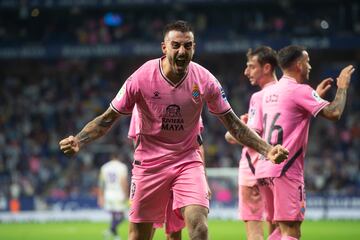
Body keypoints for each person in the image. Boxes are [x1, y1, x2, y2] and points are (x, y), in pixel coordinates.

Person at [59, 20, 288, 240]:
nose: (181, 51)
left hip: (187, 161)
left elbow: (234, 124)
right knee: (138, 236)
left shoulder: (205, 80)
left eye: (187, 46)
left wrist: (267, 150)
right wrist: (79, 140)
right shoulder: (141, 77)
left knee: (199, 227)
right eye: (176, 45)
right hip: (149, 164)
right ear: (164, 47)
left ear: (193, 48)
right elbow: (107, 119)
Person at [255, 45, 355, 240]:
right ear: (299, 65)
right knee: (292, 231)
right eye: (307, 62)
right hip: (286, 169)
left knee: (279, 231)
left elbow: (291, 112)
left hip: (265, 169)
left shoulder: (271, 92)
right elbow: (334, 112)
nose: (310, 66)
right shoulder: (300, 91)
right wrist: (342, 87)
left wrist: (315, 96)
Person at [128, 106, 210, 240]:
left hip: (182, 170)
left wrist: (203, 179)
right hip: (152, 172)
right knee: (142, 230)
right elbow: (136, 140)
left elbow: (198, 142)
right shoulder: (141, 100)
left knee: (175, 231)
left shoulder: (188, 98)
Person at [224, 46, 278, 240]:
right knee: (279, 229)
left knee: (254, 231)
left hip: (253, 170)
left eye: (251, 67)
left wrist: (232, 132)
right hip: (278, 170)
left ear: (267, 68)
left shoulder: (259, 97)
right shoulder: (288, 93)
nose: (246, 72)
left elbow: (249, 136)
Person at [98, 154, 129, 240]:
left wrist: (100, 196)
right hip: (118, 194)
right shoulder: (122, 167)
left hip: (108, 193)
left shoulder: (104, 167)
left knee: (113, 216)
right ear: (119, 158)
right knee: (122, 216)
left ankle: (115, 236)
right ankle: (110, 230)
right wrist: (126, 195)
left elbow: (101, 183)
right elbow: (123, 182)